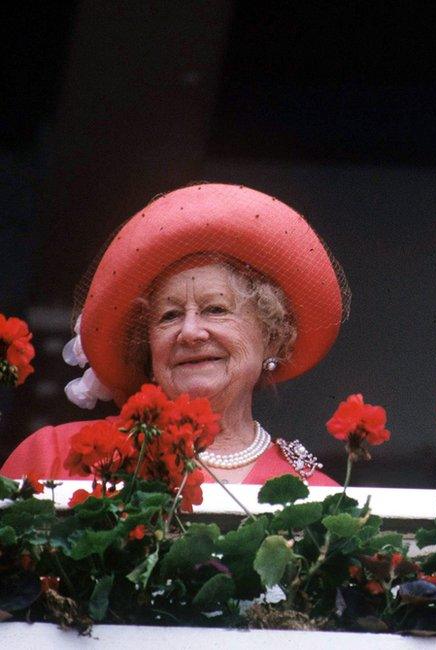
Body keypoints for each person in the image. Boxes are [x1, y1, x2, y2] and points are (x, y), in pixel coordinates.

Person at [1, 183, 348, 486]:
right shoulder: (55, 458)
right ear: (148, 349)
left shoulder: (316, 498)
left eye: (216, 309)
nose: (191, 332)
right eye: (169, 316)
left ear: (271, 337)